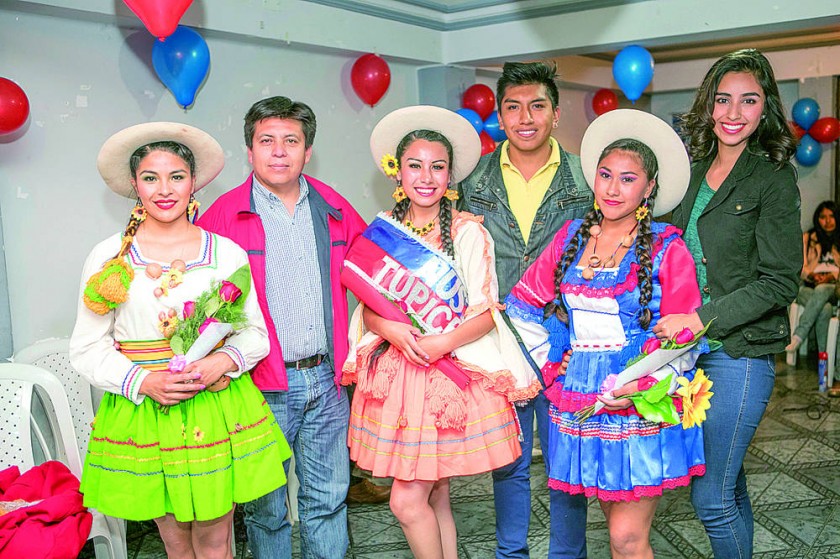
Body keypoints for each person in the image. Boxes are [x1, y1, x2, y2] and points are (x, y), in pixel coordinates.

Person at [69, 122, 291, 558]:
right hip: (147, 411)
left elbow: (255, 334)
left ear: (194, 182)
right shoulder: (108, 257)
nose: (164, 189)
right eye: (150, 177)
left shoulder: (226, 252)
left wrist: (221, 361)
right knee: (174, 542)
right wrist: (144, 382)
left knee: (214, 540)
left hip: (214, 406)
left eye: (177, 176)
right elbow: (86, 346)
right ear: (135, 185)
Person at [506, 109, 706, 558]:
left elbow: (685, 337)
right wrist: (554, 366)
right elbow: (521, 305)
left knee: (626, 537)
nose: (614, 188)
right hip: (581, 398)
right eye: (605, 175)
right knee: (606, 529)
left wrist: (639, 386)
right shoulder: (571, 236)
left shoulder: (667, 248)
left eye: (628, 179)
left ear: (649, 187)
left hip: (641, 399)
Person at [341, 105, 536, 559]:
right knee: (433, 496)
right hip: (398, 375)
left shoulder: (469, 233)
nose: (426, 177)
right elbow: (369, 308)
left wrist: (439, 343)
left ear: (450, 176)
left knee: (406, 501)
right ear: (398, 172)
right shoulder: (384, 233)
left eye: (437, 167)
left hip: (445, 374)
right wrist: (387, 326)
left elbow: (487, 313)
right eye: (415, 165)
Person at [198, 96, 367, 559]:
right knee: (266, 508)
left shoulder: (333, 207)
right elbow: (203, 309)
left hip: (328, 380)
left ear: (307, 151)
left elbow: (377, 271)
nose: (279, 152)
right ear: (249, 151)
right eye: (266, 141)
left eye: (290, 141)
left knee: (328, 500)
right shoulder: (222, 217)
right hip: (257, 382)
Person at [667, 49, 801, 558]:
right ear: (708, 103)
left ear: (765, 108)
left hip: (738, 353)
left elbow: (780, 281)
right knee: (732, 486)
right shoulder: (693, 169)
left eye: (748, 100)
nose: (733, 112)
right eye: (723, 99)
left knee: (711, 497)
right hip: (686, 355)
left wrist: (700, 317)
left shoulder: (772, 177)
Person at [457, 60, 591, 558]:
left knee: (567, 465)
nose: (525, 117)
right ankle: (510, 554)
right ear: (499, 115)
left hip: (569, 343)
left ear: (555, 113)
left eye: (537, 105)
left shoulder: (586, 176)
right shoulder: (475, 180)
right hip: (500, 342)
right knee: (507, 462)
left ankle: (567, 555)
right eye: (513, 107)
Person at [786, 201, 840, 362]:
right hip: (807, 288)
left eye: (831, 217)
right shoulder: (808, 238)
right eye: (823, 217)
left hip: (832, 288)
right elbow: (797, 265)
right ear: (817, 219)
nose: (828, 221)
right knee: (825, 309)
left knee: (823, 289)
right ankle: (824, 359)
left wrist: (832, 276)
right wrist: (811, 275)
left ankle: (797, 336)